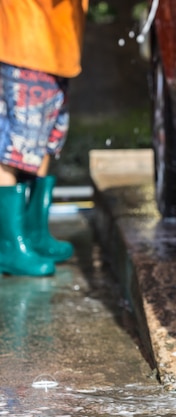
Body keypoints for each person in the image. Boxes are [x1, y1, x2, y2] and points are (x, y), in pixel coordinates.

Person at [0, 0, 89, 276]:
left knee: (47, 142)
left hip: (55, 47)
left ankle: (33, 233)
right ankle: (8, 246)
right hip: (25, 42)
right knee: (14, 147)